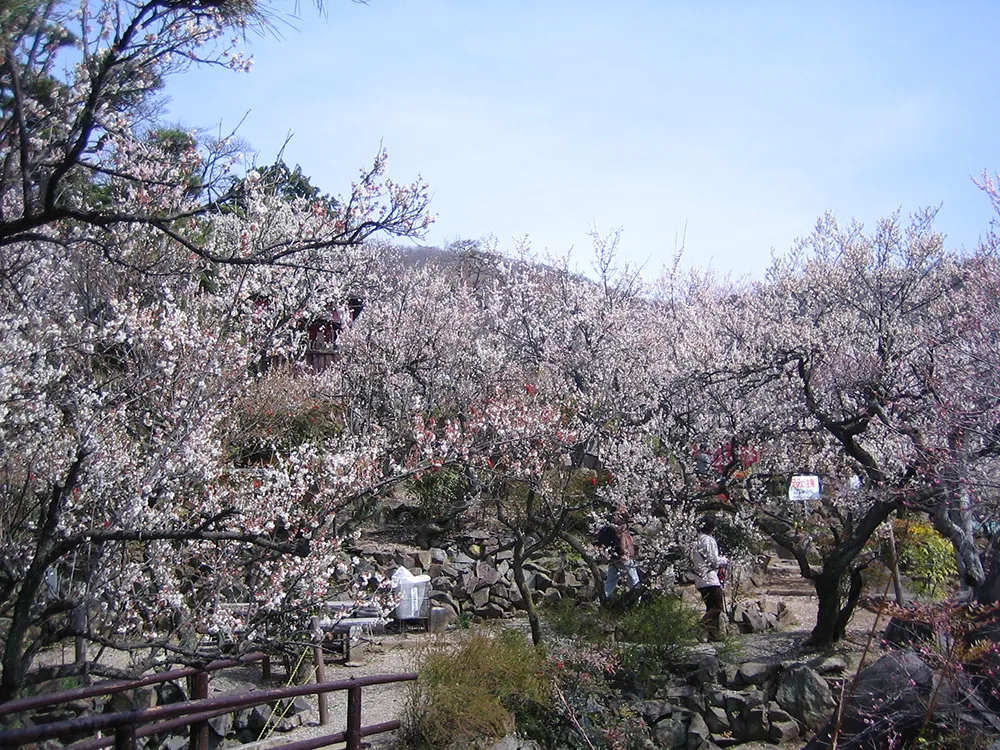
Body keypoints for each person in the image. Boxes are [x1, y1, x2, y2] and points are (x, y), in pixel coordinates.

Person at [691, 516, 728, 641]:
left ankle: (714, 635)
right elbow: (713, 560)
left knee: (710, 607)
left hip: (699, 578)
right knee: (717, 607)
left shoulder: (695, 541)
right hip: (710, 578)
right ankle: (700, 627)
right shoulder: (709, 540)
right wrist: (724, 560)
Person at [602, 512, 640, 600]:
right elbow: (623, 541)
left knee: (610, 581)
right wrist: (625, 553)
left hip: (612, 558)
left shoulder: (610, 528)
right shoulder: (621, 528)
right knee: (634, 580)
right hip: (623, 558)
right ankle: (636, 601)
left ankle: (603, 599)